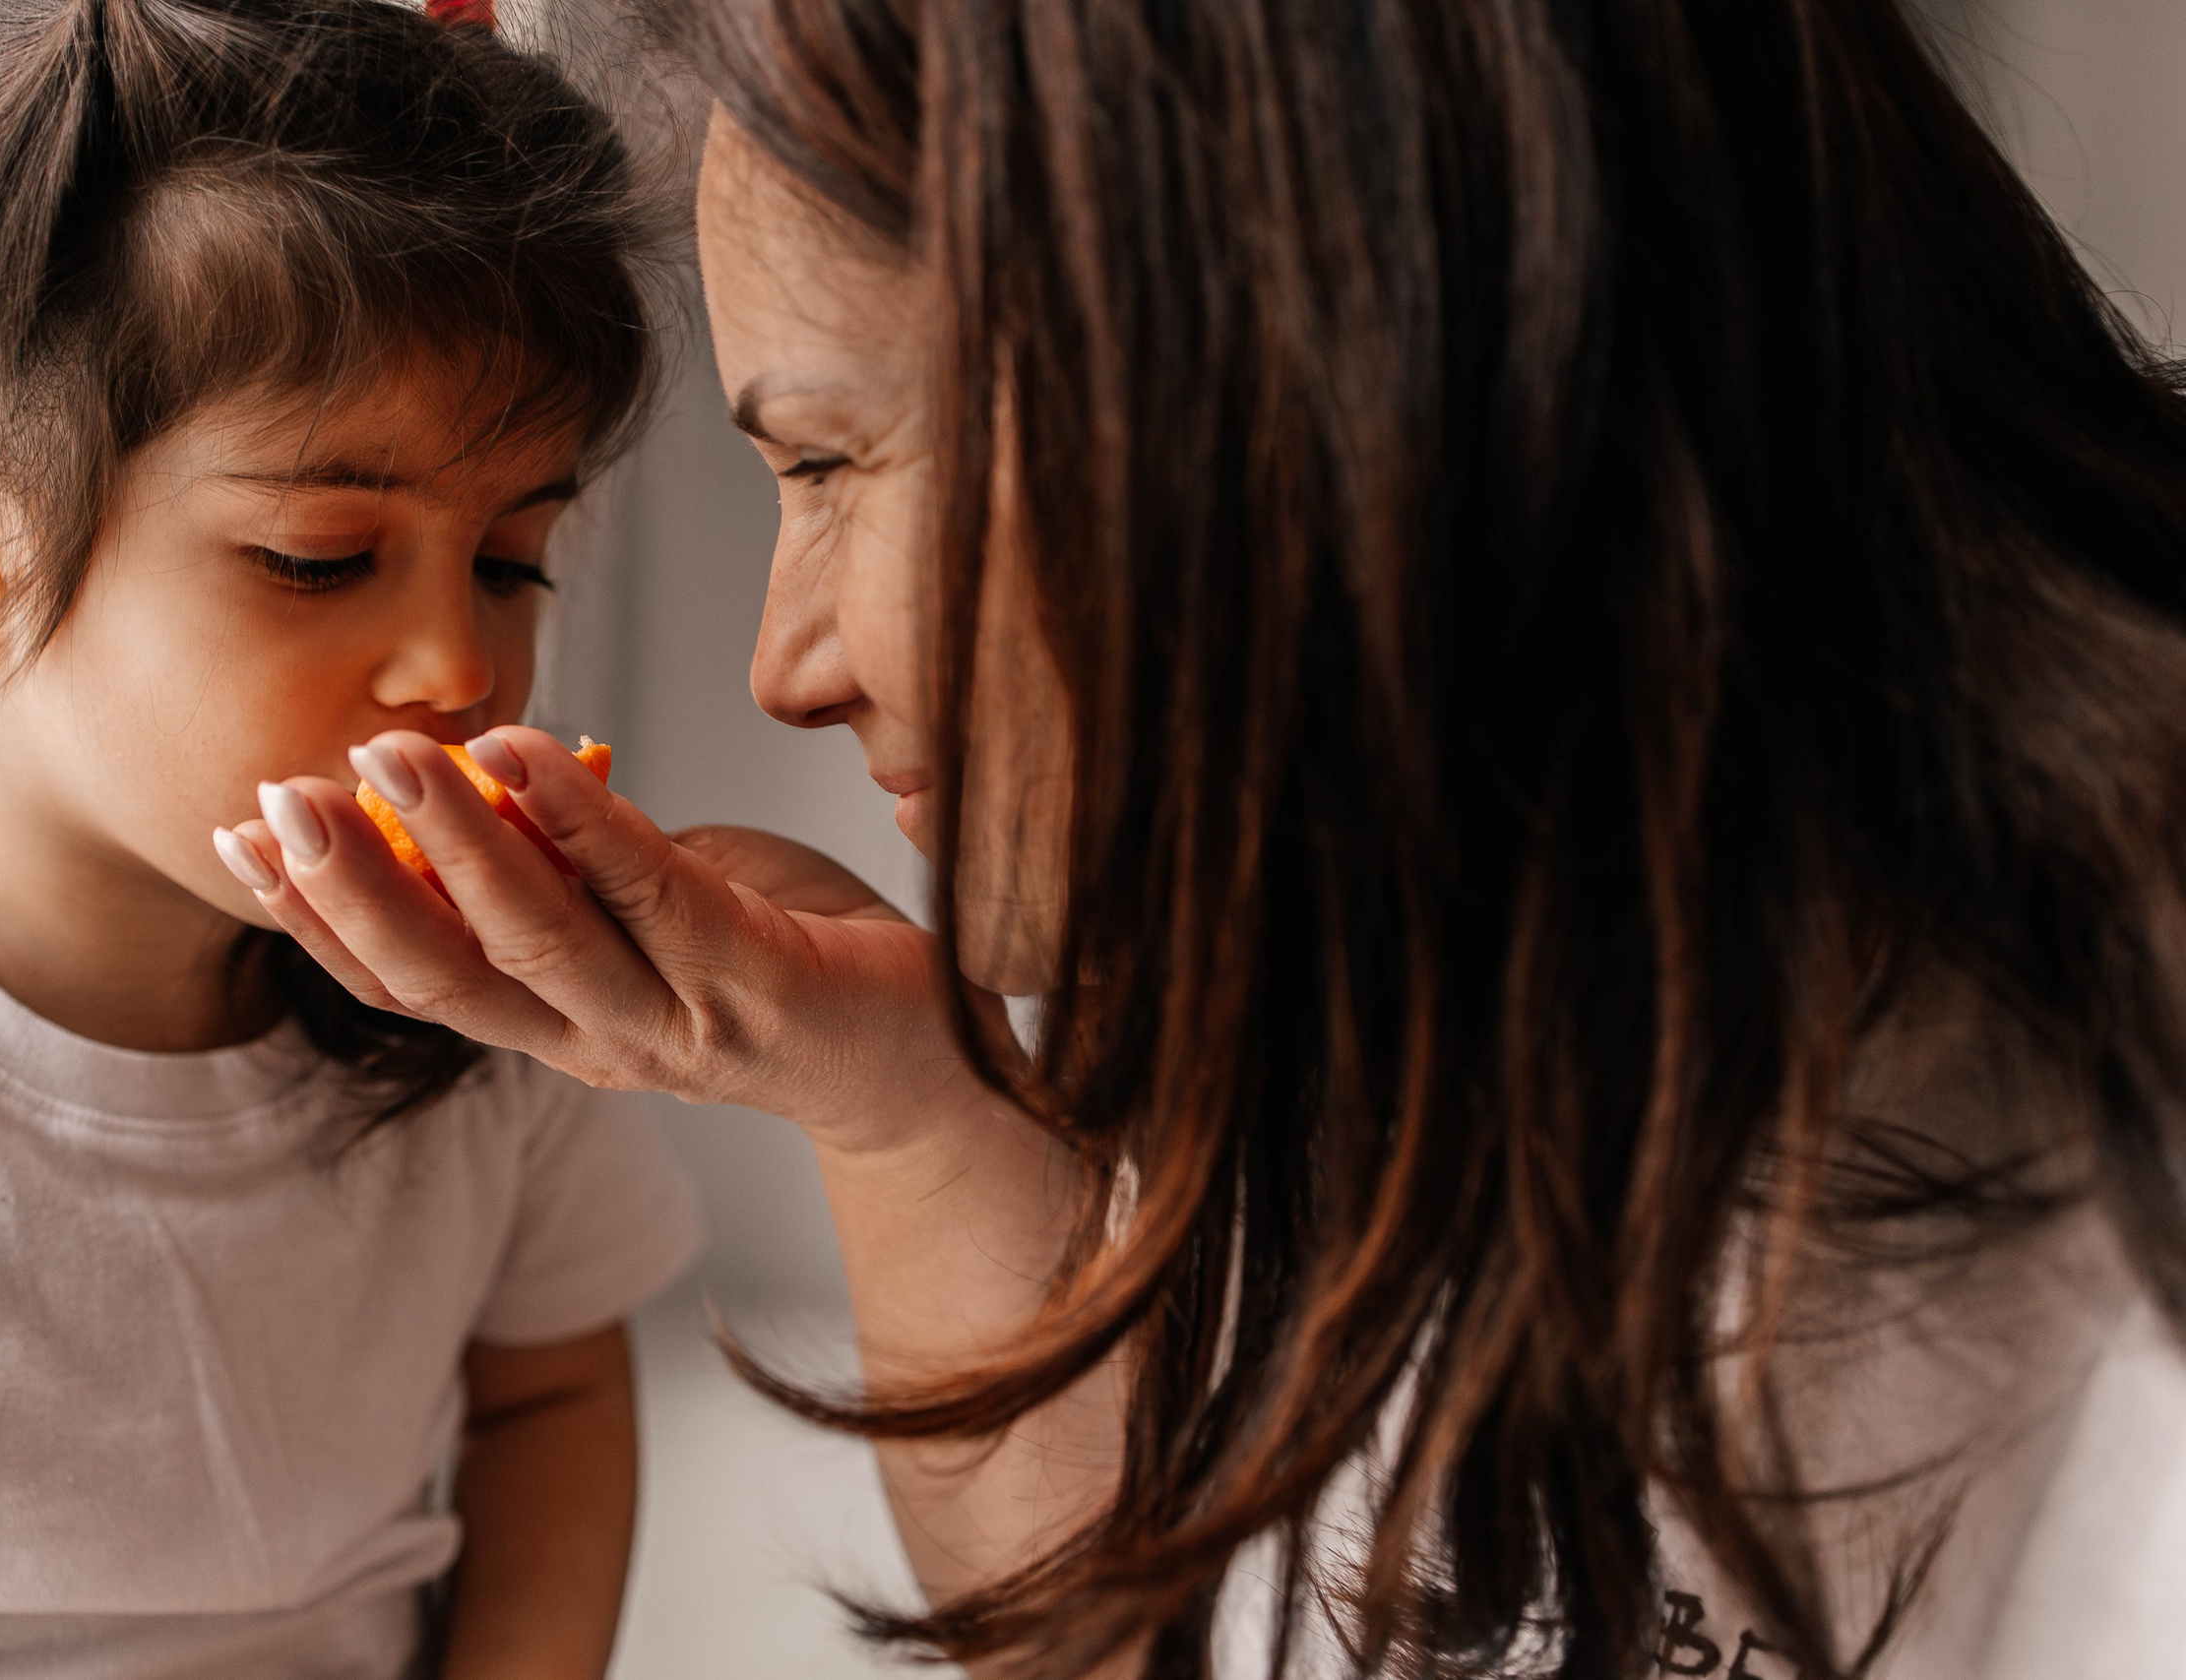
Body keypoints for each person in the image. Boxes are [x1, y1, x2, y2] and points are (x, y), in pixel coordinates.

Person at [233, 0, 2186, 1675]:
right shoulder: (1372, 933)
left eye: (825, 460)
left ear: (1277, 356)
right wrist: (895, 1100)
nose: (783, 665)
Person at [0, 3, 699, 1676]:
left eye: (513, 560)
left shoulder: (506, 1003)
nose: (459, 668)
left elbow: (554, 1393)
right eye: (315, 557)